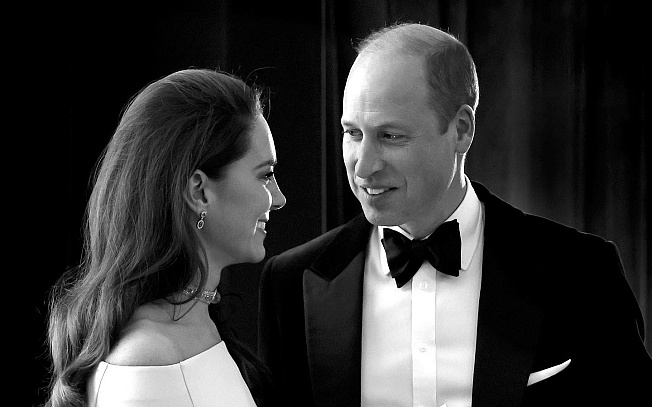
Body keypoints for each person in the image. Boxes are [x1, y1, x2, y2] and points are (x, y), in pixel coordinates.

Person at [258, 23, 652, 407]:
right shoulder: (291, 283)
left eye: (390, 136)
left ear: (461, 130)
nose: (363, 167)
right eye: (353, 133)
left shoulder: (584, 272)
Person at [45, 68, 286, 407]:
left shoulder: (191, 323)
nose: (279, 198)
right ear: (199, 191)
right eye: (265, 175)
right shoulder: (148, 363)